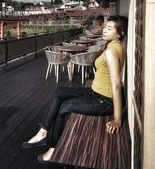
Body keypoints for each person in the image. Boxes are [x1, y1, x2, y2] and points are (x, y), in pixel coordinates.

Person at [22, 15, 128, 164]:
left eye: (109, 28)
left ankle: (53, 149)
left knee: (65, 107)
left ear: (120, 33)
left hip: (104, 100)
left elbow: (117, 85)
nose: (104, 30)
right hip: (95, 91)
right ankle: (43, 132)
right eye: (105, 27)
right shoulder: (114, 46)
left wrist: (117, 119)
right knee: (58, 92)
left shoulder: (111, 51)